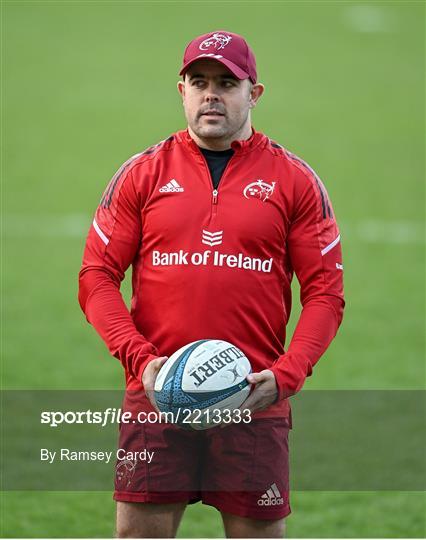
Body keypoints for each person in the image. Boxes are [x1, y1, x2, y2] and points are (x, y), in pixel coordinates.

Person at [78, 30, 344, 538]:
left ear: (254, 93)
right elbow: (96, 276)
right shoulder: (143, 174)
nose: (211, 94)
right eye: (199, 82)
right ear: (181, 90)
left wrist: (286, 376)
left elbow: (326, 293)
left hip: (253, 401)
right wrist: (141, 360)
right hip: (156, 395)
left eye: (227, 82)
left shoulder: (295, 180)